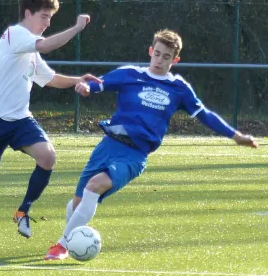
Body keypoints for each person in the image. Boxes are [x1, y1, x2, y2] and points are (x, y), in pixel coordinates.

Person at [44, 29, 259, 260]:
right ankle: (73, 237)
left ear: (175, 60)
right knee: (78, 203)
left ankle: (61, 246)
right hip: (107, 145)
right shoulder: (130, 74)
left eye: (166, 57)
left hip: (134, 155)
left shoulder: (179, 89)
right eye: (157, 54)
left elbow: (205, 115)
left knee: (94, 186)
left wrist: (235, 135)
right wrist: (86, 88)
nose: (159, 60)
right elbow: (98, 84)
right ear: (150, 51)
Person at [0, 0, 99, 251]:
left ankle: (23, 211)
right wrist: (77, 28)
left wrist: (77, 80)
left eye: (50, 18)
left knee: (48, 157)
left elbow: (49, 79)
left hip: (20, 120)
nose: (47, 23)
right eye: (44, 16)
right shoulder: (15, 35)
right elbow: (46, 45)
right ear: (28, 13)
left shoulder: (30, 49)